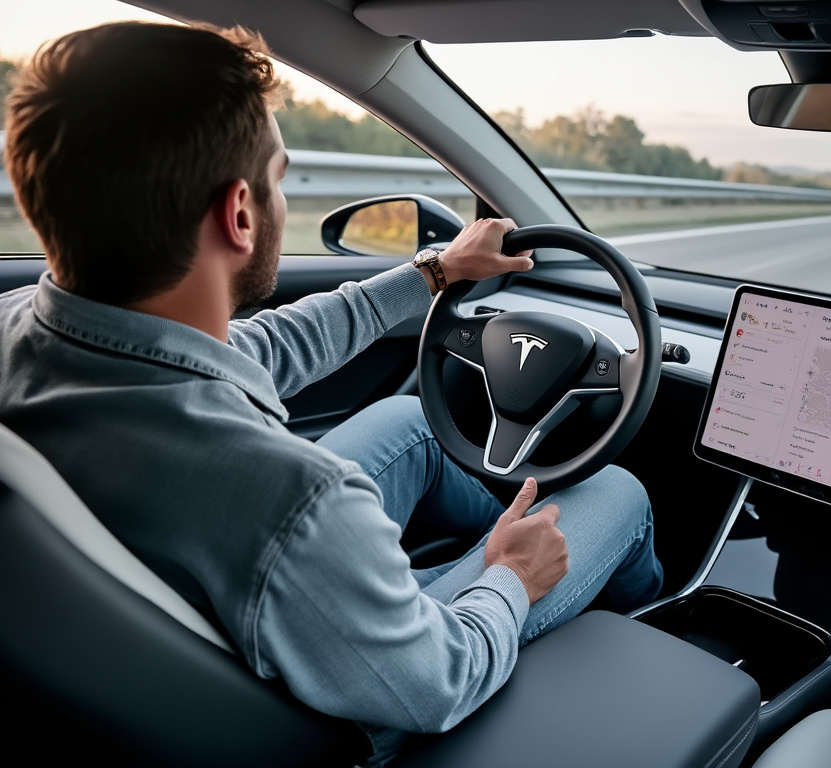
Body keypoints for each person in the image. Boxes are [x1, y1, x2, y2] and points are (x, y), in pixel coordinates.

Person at [0, 21, 663, 762]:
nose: (284, 200)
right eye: (280, 179)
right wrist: (512, 578)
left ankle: (468, 562)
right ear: (241, 214)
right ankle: (649, 627)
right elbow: (438, 681)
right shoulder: (292, 498)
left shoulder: (29, 331)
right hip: (336, 712)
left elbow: (266, 346)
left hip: (188, 607)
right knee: (619, 496)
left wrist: (435, 272)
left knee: (412, 420)